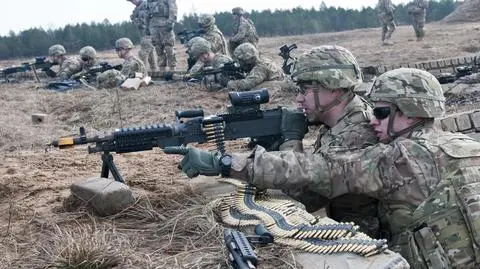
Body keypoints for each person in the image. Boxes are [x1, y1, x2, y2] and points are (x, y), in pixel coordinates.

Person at [166, 67, 480, 269]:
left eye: (382, 112)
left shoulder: (404, 158)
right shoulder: (463, 145)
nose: (372, 119)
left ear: (410, 115)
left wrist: (224, 163)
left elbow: (320, 170)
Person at [146, 0, 177, 71]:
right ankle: (162, 71)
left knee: (169, 47)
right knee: (158, 48)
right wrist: (147, 27)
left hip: (165, 23)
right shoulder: (149, 1)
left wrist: (170, 21)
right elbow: (147, 14)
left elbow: (173, 9)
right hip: (153, 25)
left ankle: (173, 69)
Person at [127, 0, 158, 72]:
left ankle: (142, 71)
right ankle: (154, 70)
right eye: (131, 2)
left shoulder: (147, 5)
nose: (133, 2)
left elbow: (153, 16)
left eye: (134, 0)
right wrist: (138, 22)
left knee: (143, 53)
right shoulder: (137, 8)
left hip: (149, 32)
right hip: (143, 33)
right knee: (150, 52)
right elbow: (133, 18)